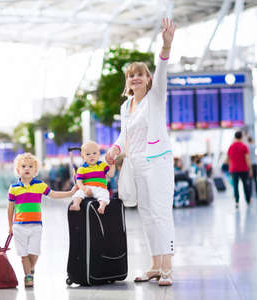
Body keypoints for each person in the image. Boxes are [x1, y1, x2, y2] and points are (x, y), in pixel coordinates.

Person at [105, 18, 177, 286]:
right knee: (146, 214)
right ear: (128, 81)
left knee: (160, 213)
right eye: (131, 75)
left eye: (140, 73)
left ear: (148, 78)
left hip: (157, 162)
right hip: (135, 165)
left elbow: (163, 70)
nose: (135, 77)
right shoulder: (127, 108)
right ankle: (155, 265)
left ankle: (168, 266)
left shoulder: (155, 98)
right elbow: (125, 136)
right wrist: (114, 149)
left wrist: (166, 46)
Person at [7, 153, 77, 288]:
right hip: (19, 226)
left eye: (30, 166)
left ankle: (30, 268)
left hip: (35, 226)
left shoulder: (39, 185)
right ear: (18, 170)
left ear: (35, 170)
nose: (27, 168)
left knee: (34, 252)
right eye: (23, 166)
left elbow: (54, 194)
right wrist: (10, 226)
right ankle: (28, 276)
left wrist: (70, 193)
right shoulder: (13, 188)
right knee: (23, 254)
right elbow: (10, 209)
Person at [69, 141, 115, 214]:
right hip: (87, 188)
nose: (91, 156)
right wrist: (84, 189)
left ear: (99, 154)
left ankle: (102, 207)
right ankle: (76, 205)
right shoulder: (82, 168)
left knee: (105, 194)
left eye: (94, 153)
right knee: (78, 194)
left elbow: (111, 174)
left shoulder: (102, 165)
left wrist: (112, 165)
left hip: (101, 188)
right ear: (83, 157)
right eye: (88, 154)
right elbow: (79, 182)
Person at [227, 131, 252, 208]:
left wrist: (230, 168)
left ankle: (237, 201)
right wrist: (250, 169)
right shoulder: (244, 146)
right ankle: (247, 200)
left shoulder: (231, 147)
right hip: (243, 169)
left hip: (234, 169)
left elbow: (228, 159)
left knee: (235, 186)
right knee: (245, 185)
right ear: (241, 137)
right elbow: (247, 159)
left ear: (235, 137)